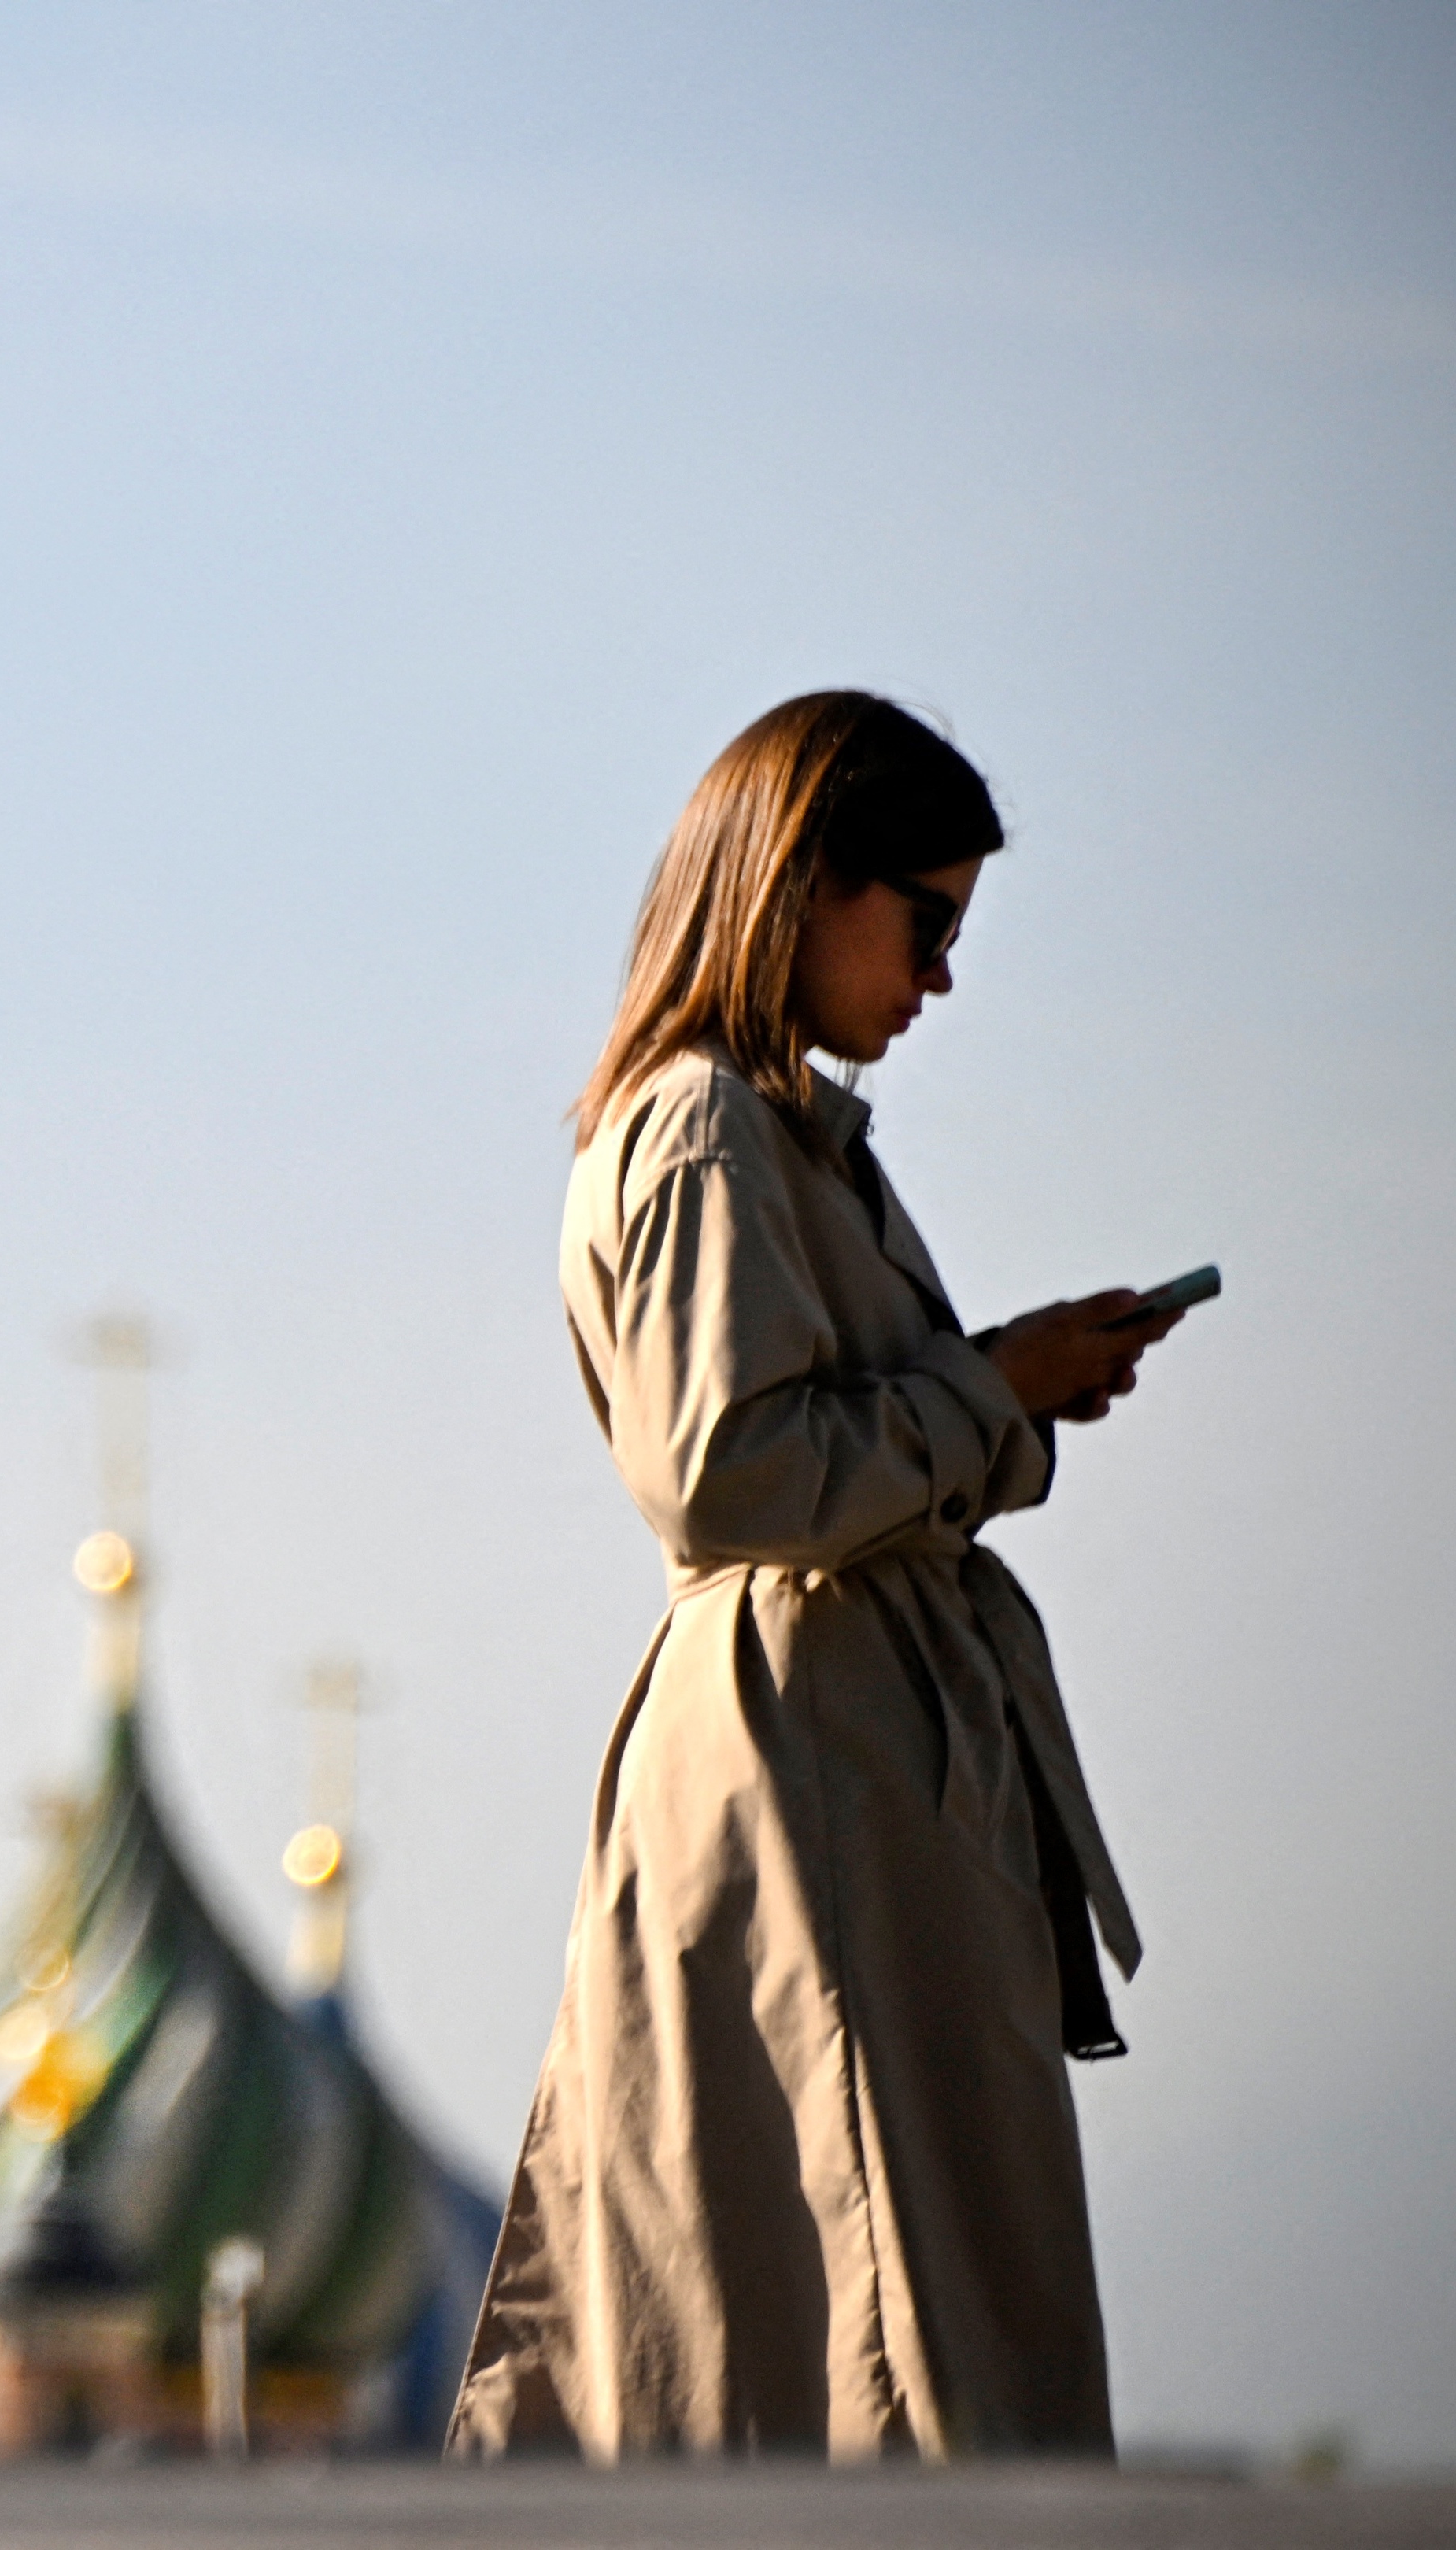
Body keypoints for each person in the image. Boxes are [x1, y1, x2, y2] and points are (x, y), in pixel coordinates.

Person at [449, 692, 1188, 2462]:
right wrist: (990, 1388)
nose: (940, 977)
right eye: (923, 920)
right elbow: (731, 1476)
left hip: (853, 1751)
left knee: (893, 2316)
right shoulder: (702, 1126)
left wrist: (1006, 1383)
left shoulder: (774, 1134)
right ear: (799, 884)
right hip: (813, 1768)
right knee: (883, 2330)